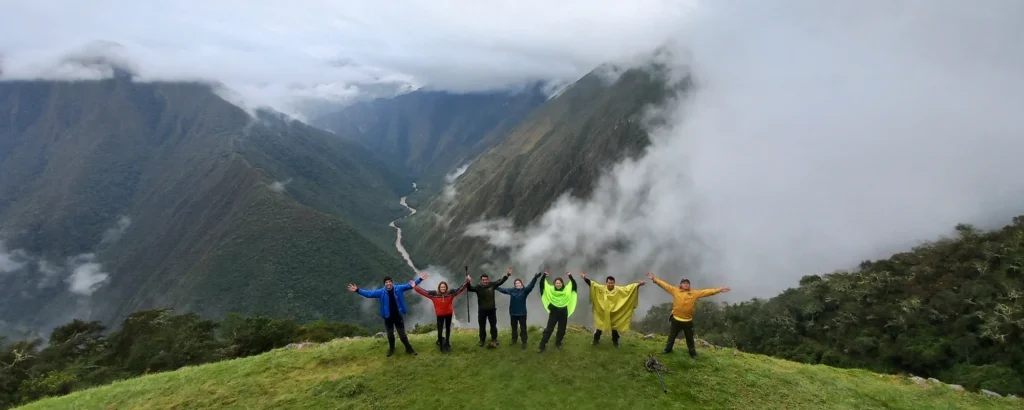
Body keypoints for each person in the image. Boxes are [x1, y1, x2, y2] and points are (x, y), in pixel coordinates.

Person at [646, 272, 730, 359]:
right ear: (681, 285)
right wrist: (654, 279)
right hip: (676, 319)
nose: (686, 285)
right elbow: (664, 285)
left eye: (687, 283)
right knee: (672, 336)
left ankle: (692, 353)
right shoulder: (675, 290)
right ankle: (668, 349)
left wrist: (719, 290)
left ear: (689, 285)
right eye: (684, 283)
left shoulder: (694, 293)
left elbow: (706, 292)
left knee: (689, 338)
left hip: (687, 321)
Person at [348, 274, 422, 357]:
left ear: (392, 282)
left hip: (398, 316)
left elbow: (410, 285)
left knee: (402, 335)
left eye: (390, 282)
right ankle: (392, 349)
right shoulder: (381, 292)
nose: (388, 283)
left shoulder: (398, 288)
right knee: (390, 335)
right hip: (388, 317)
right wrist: (357, 290)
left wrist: (420, 279)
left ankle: (409, 349)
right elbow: (370, 294)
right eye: (386, 282)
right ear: (384, 284)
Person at [581, 272, 646, 348]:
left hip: (614, 314)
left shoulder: (618, 289)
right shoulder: (601, 288)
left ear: (614, 283)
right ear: (606, 283)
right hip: (603, 313)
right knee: (600, 327)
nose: (610, 284)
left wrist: (638, 285)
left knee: (614, 328)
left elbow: (628, 289)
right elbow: (593, 285)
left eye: (612, 283)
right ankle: (596, 340)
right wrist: (585, 278)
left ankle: (615, 342)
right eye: (609, 283)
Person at [411, 273, 469, 353]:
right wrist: (415, 286)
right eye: (441, 287)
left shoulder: (450, 293)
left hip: (448, 314)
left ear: (446, 287)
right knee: (440, 329)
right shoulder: (434, 294)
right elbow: (423, 292)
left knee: (448, 328)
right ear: (439, 287)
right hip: (440, 315)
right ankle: (441, 344)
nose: (443, 288)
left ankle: (447, 342)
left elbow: (460, 289)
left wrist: (467, 282)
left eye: (444, 287)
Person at [496, 270, 542, 349]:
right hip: (513, 313)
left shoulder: (525, 291)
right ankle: (514, 339)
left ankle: (524, 342)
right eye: (516, 283)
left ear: (521, 284)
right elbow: (503, 290)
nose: (517, 284)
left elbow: (531, 286)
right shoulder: (512, 290)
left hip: (522, 313)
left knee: (523, 328)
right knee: (514, 328)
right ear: (515, 285)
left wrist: (535, 278)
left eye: (519, 283)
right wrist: (495, 287)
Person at [466, 267, 511, 348]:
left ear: (488, 279)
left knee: (493, 325)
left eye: (486, 279)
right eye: (483, 280)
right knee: (482, 326)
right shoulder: (478, 287)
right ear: (481, 280)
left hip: (492, 310)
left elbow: (500, 281)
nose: (485, 281)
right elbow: (469, 288)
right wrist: (468, 282)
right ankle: (482, 340)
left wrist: (507, 275)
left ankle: (494, 339)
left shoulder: (492, 285)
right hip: (482, 310)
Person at [537, 271, 578, 353]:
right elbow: (542, 285)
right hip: (554, 312)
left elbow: (574, 285)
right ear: (554, 284)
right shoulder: (551, 290)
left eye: (559, 283)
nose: (558, 284)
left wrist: (570, 277)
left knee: (562, 329)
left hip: (563, 312)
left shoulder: (567, 290)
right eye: (556, 283)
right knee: (549, 329)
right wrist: (544, 276)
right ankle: (542, 345)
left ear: (562, 283)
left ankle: (558, 342)